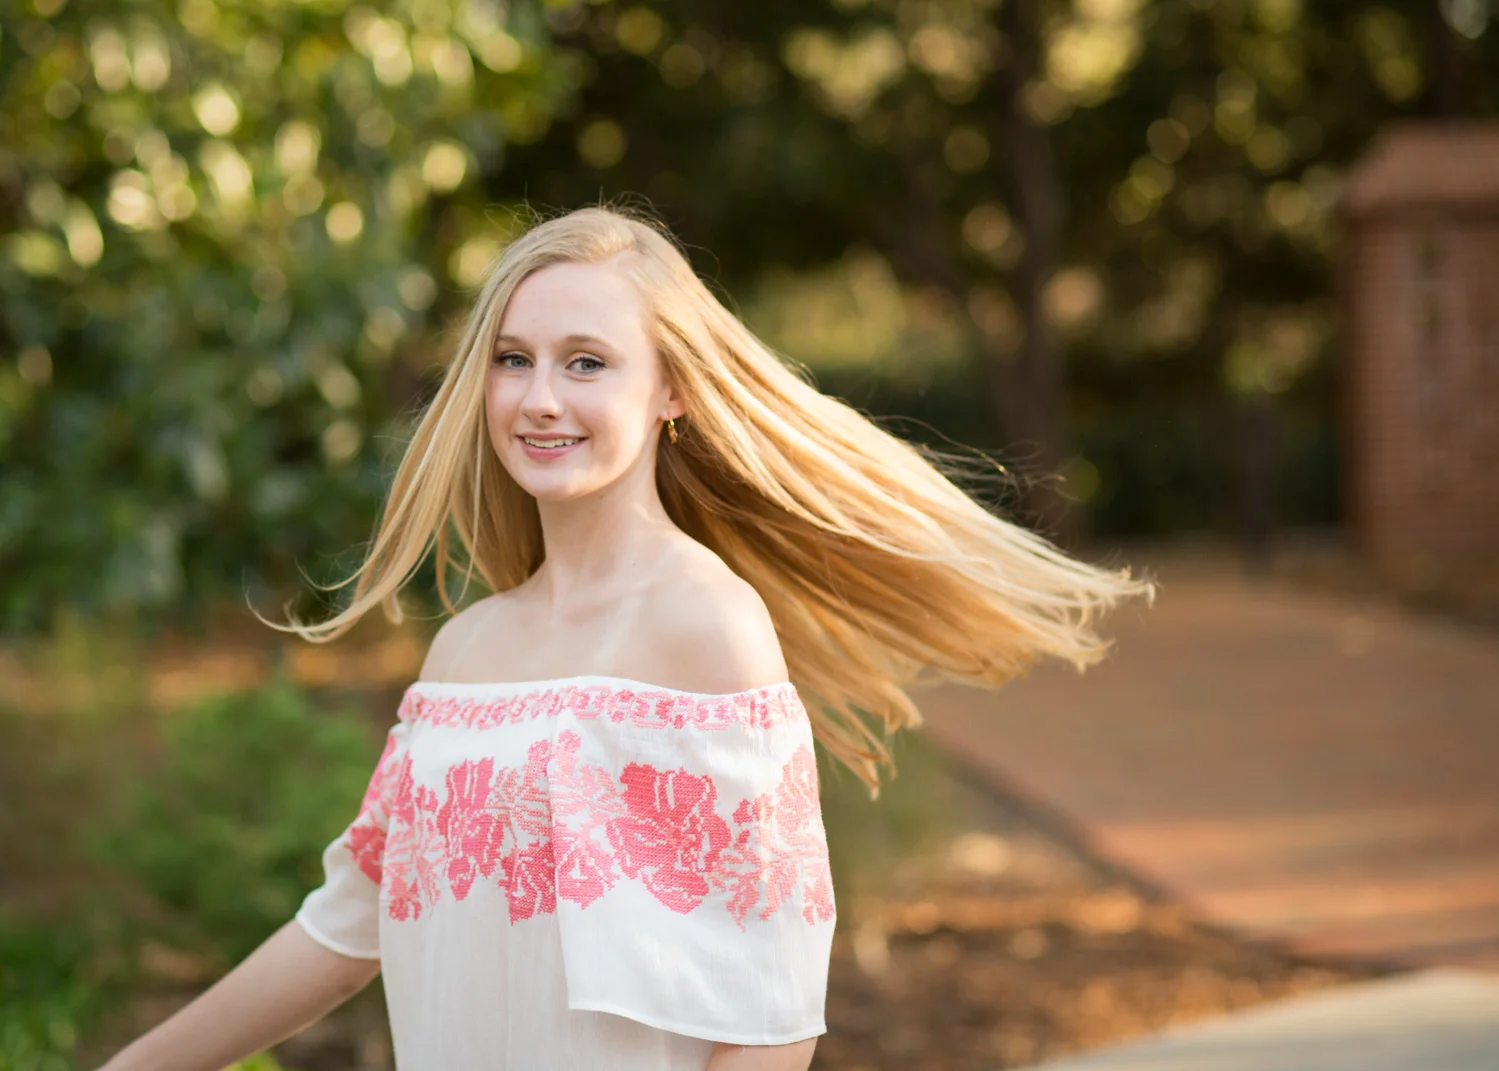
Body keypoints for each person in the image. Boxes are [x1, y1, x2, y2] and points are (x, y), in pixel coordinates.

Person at [98, 204, 1155, 1071]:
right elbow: (347, 924)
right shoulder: (464, 652)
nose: (538, 399)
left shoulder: (708, 630)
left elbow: (774, 1015)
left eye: (587, 362)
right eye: (513, 359)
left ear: (671, 390)